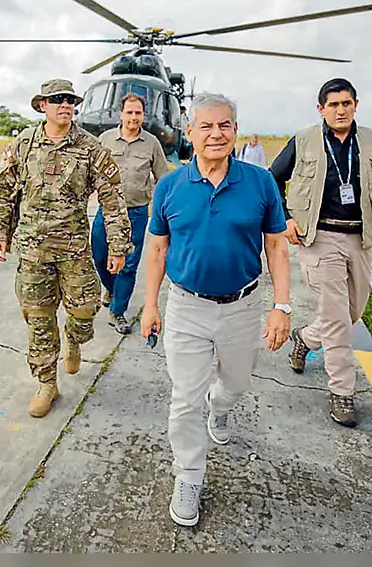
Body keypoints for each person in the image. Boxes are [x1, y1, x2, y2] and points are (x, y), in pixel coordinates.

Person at [140, 92, 292, 527]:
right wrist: (150, 305)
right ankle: (189, 474)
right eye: (205, 126)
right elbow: (157, 249)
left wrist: (281, 305)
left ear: (235, 132)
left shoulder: (259, 182)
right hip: (186, 307)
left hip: (242, 307)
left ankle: (221, 405)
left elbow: (277, 245)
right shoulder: (170, 186)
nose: (215, 134)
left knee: (237, 383)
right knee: (184, 399)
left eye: (224, 125)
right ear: (190, 133)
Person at [268, 77, 372, 428]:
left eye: (346, 103)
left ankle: (304, 337)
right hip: (320, 238)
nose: (340, 110)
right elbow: (272, 178)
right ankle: (342, 392)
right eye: (333, 104)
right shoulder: (304, 141)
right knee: (336, 318)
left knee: (352, 312)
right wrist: (285, 218)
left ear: (355, 105)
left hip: (360, 238)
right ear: (321, 109)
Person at [0, 78, 131, 419]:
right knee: (38, 321)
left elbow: (112, 199)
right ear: (42, 106)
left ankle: (74, 340)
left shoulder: (90, 148)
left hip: (74, 251)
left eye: (69, 100)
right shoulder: (22, 145)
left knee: (83, 312)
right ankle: (46, 384)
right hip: (33, 253)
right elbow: (4, 190)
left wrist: (118, 244)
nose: (65, 104)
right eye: (57, 100)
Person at [92, 92, 169, 334]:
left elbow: (163, 177)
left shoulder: (151, 143)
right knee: (99, 255)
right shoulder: (105, 139)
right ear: (121, 113)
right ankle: (111, 287)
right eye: (129, 112)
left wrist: (157, 206)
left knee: (128, 264)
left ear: (143, 115)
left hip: (135, 213)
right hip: (106, 211)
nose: (134, 117)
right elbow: (91, 169)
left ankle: (117, 310)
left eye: (138, 113)